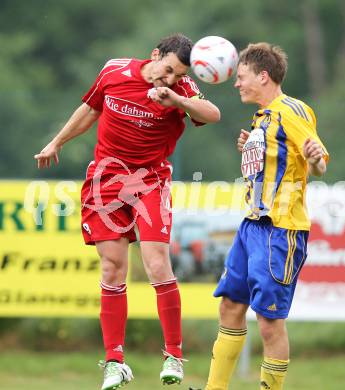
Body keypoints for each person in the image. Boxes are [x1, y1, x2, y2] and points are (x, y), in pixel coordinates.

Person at [34, 33, 221, 390]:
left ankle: (173, 355)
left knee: (156, 264)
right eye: (166, 70)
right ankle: (115, 362)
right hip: (106, 181)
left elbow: (212, 114)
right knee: (112, 268)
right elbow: (90, 109)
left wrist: (178, 99)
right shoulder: (115, 71)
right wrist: (56, 142)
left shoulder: (181, 88)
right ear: (154, 55)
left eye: (177, 74)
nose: (168, 78)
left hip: (150, 181)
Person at [204, 43, 329, 390]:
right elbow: (277, 159)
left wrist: (316, 159)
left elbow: (317, 164)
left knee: (269, 322)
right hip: (252, 225)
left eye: (241, 77)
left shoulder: (292, 110)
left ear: (263, 76)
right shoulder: (262, 117)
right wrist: (251, 148)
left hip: (280, 230)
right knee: (230, 306)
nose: (236, 84)